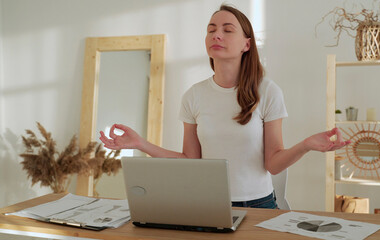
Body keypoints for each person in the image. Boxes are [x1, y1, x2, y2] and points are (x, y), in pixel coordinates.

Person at [99, 4, 351, 209]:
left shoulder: (268, 91)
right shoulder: (194, 95)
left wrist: (306, 145)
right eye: (211, 30)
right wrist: (140, 144)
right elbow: (191, 160)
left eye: (228, 30)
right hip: (210, 205)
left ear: (246, 44)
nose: (216, 35)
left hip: (259, 205)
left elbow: (273, 164)